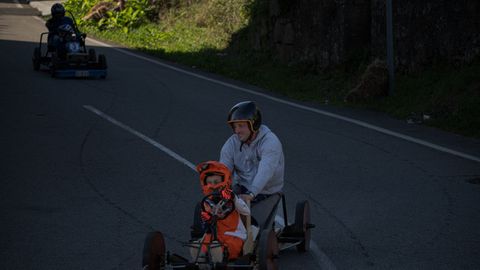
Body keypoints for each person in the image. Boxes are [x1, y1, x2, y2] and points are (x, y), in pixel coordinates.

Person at [220, 101, 285, 204]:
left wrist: (251, 194)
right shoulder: (232, 143)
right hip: (242, 187)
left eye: (241, 126)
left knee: (253, 218)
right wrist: (220, 188)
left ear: (253, 125)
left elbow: (266, 171)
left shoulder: (270, 142)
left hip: (267, 192)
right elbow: (224, 169)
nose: (237, 131)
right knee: (219, 209)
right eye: (234, 127)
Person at [194, 161, 250, 261]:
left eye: (216, 182)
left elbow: (246, 212)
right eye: (209, 182)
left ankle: (219, 259)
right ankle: (202, 261)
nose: (212, 186)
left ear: (225, 181)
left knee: (229, 247)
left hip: (234, 234)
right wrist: (207, 218)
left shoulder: (232, 198)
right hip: (215, 234)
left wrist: (233, 198)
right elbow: (204, 221)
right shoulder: (207, 202)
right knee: (199, 245)